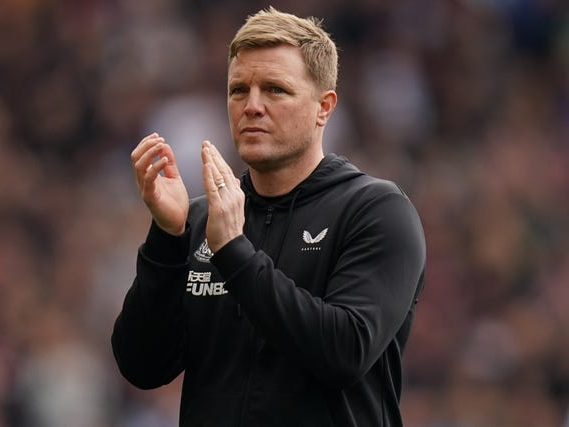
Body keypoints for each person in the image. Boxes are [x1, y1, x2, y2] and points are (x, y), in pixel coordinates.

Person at [111, 7, 426, 427]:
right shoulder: (204, 218)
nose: (252, 106)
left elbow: (345, 353)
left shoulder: (376, 211)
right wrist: (167, 238)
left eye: (275, 89)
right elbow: (143, 367)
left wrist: (236, 254)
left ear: (324, 107)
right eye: (239, 89)